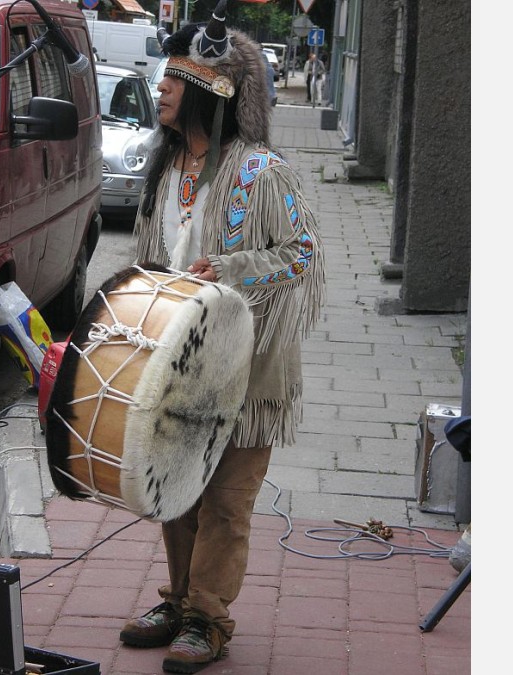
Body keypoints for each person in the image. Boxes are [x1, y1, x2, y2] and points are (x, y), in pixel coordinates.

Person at [119, 2, 325, 672]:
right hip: (181, 368)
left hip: (248, 372)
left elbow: (301, 255)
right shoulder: (164, 172)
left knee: (227, 504)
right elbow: (151, 264)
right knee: (174, 489)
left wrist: (233, 268)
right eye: (163, 80)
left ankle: (208, 617)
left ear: (213, 90)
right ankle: (180, 600)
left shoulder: (264, 172)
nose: (161, 90)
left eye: (173, 81)